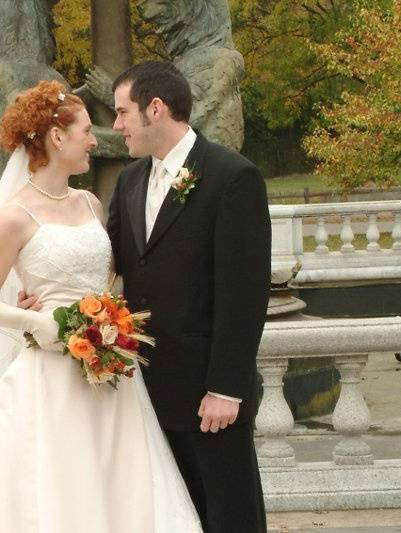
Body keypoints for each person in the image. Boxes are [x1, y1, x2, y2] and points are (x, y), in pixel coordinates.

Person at [0, 80, 202, 532]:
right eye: (86, 131)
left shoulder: (89, 203)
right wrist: (35, 321)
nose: (95, 140)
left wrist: (109, 318)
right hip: (50, 374)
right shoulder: (15, 215)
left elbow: (107, 274)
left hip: (111, 369)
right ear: (56, 137)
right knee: (55, 480)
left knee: (120, 478)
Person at [107, 61, 271, 532]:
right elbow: (110, 265)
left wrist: (226, 388)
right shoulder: (130, 180)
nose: (116, 126)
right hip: (145, 391)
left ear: (155, 109)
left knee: (229, 517)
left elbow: (245, 293)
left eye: (122, 113)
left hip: (208, 396)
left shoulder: (232, 176)